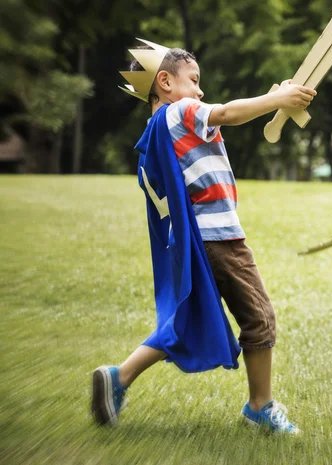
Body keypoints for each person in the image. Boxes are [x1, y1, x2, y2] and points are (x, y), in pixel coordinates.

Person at [91, 39, 316, 434]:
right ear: (164, 82)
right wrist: (275, 97)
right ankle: (259, 405)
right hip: (219, 237)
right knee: (260, 318)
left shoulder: (155, 129)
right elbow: (227, 113)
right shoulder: (181, 111)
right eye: (194, 81)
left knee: (185, 321)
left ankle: (119, 376)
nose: (200, 90)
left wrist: (275, 99)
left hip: (192, 241)